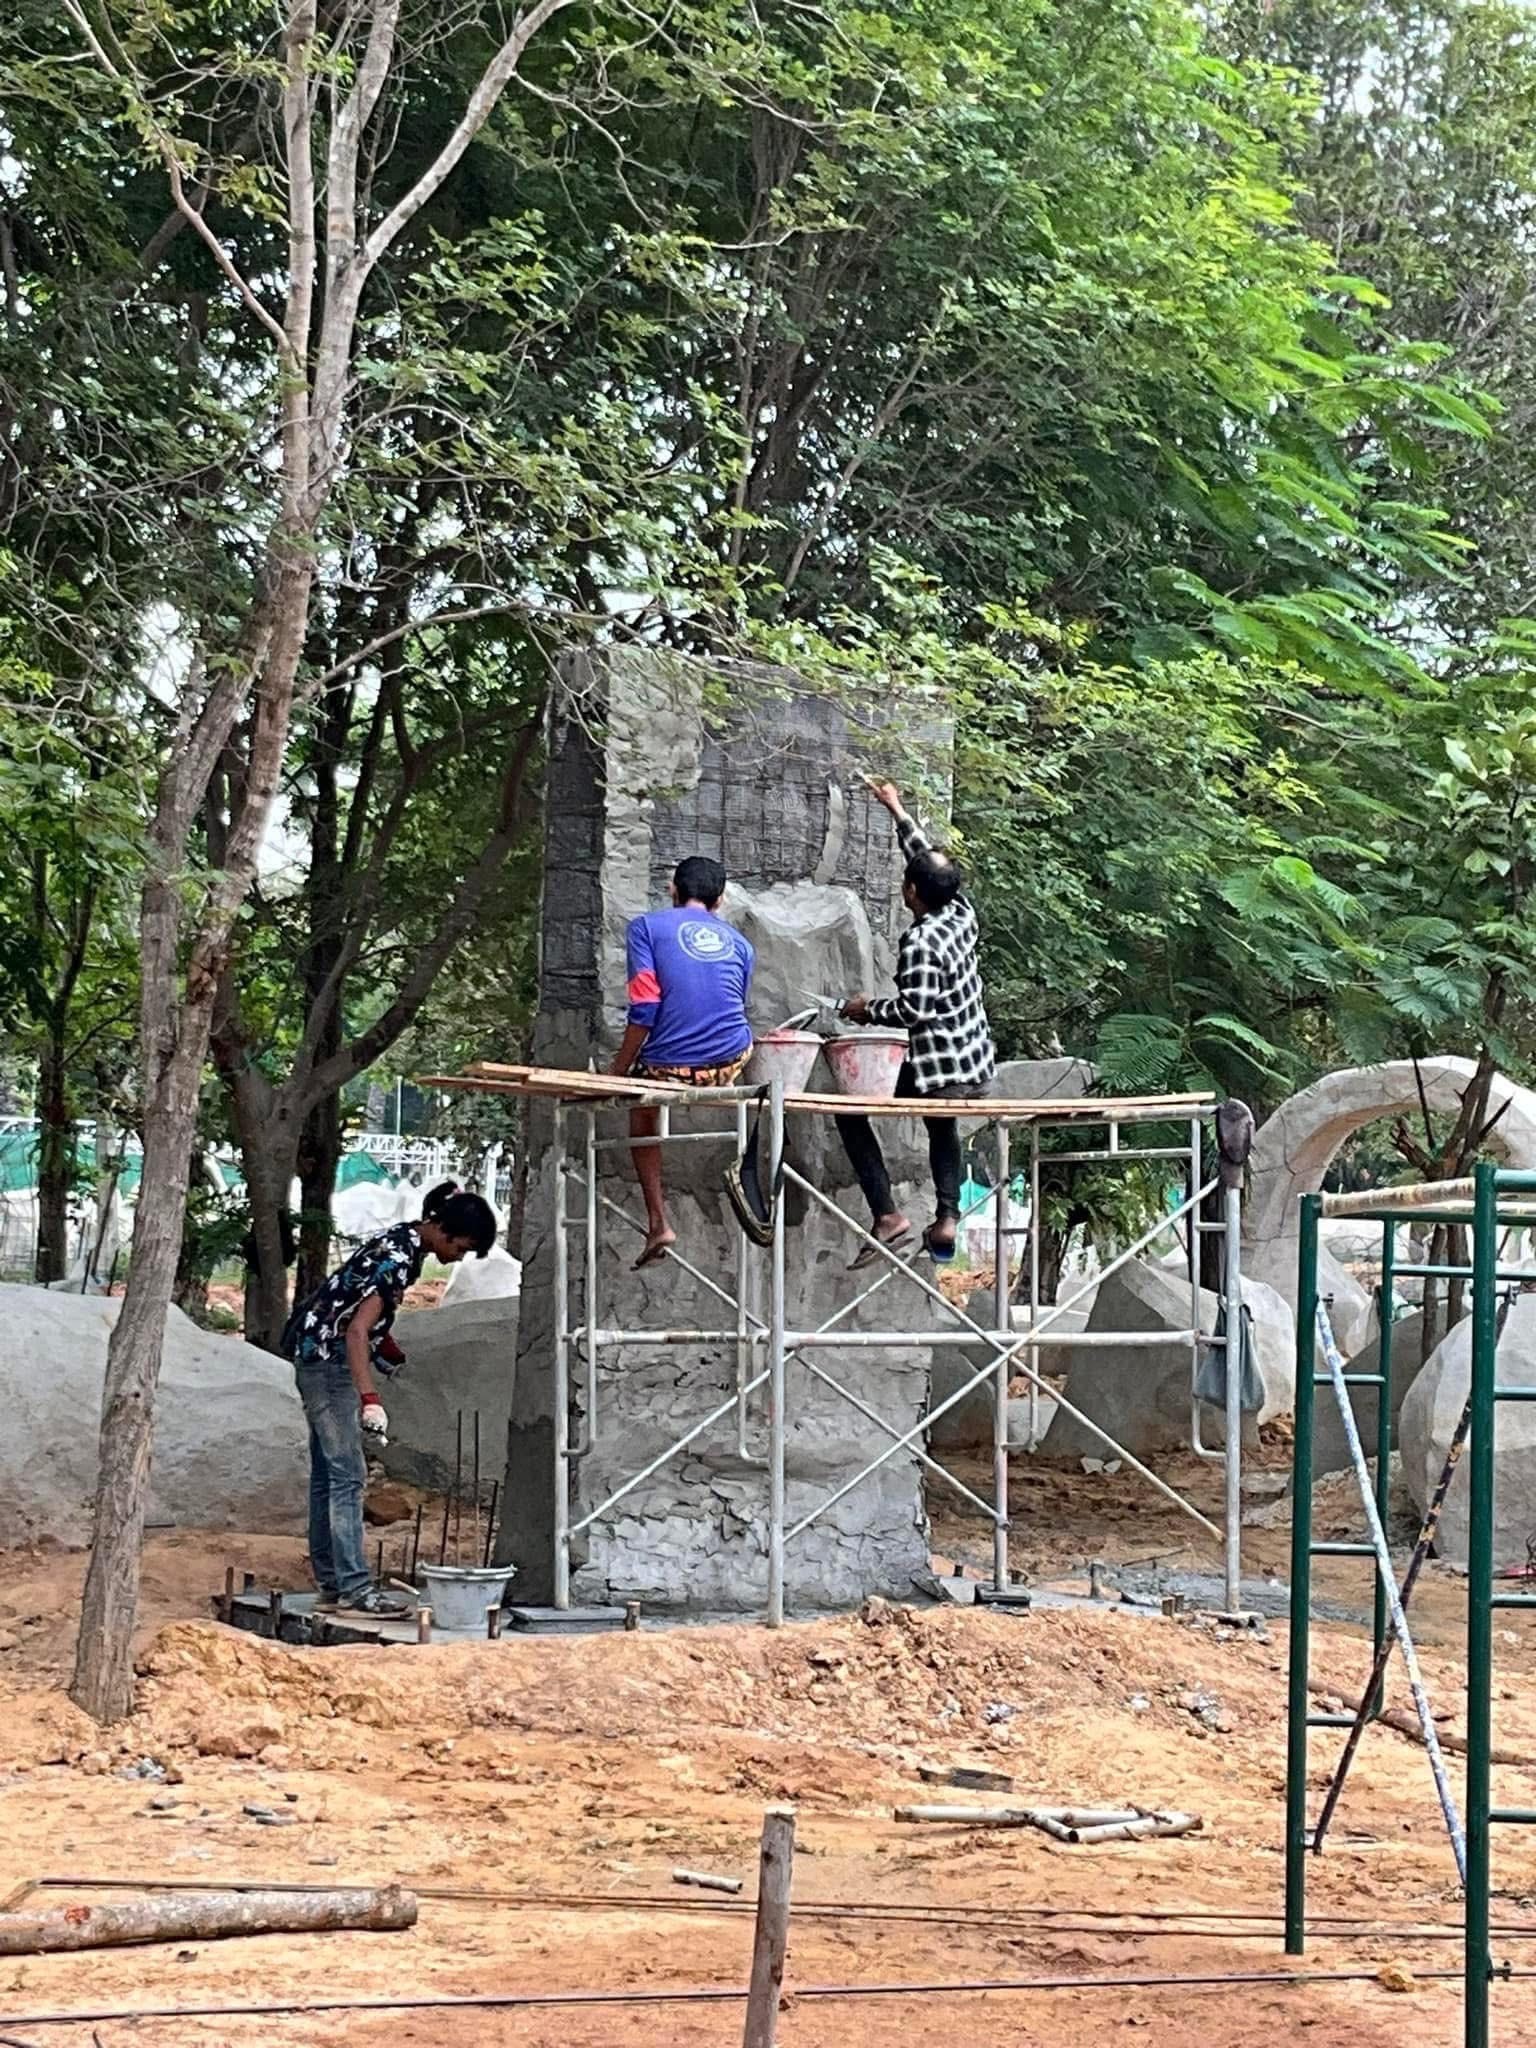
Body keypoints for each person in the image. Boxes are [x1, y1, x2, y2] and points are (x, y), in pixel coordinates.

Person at [282, 1180, 497, 1616]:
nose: (459, 1257)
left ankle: (332, 1583)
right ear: (445, 1230)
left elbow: (357, 1313)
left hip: (313, 1351)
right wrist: (369, 1397)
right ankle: (356, 1591)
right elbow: (356, 1330)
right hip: (329, 1364)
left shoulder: (400, 1241)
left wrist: (386, 1343)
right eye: (463, 1247)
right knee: (348, 1475)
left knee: (329, 1474)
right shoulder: (398, 1260)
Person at [835, 778, 995, 1268]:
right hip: (976, 1062)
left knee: (849, 1110)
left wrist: (864, 1009)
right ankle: (947, 1217)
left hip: (941, 1070)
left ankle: (887, 1214)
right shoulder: (960, 912)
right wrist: (896, 810)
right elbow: (928, 859)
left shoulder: (923, 941)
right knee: (939, 1118)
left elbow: (914, 1010)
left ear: (911, 893)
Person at [614, 854, 755, 1268]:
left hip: (668, 1070)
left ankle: (659, 1220)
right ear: (720, 900)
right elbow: (731, 1005)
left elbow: (644, 1007)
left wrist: (617, 1072)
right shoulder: (742, 945)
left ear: (673, 889)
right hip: (730, 1061)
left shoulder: (645, 928)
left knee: (643, 1115)